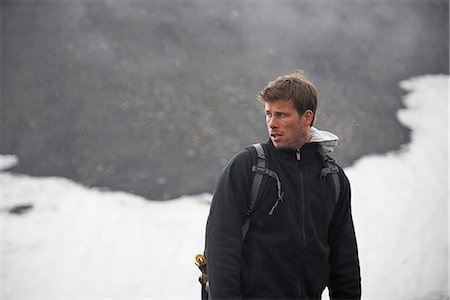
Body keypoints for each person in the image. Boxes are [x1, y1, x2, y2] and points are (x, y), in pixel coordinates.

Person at [204, 71, 361, 300]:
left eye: (281, 115)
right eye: (268, 114)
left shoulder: (332, 178)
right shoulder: (247, 167)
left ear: (307, 117)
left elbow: (344, 260)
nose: (272, 124)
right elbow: (220, 250)